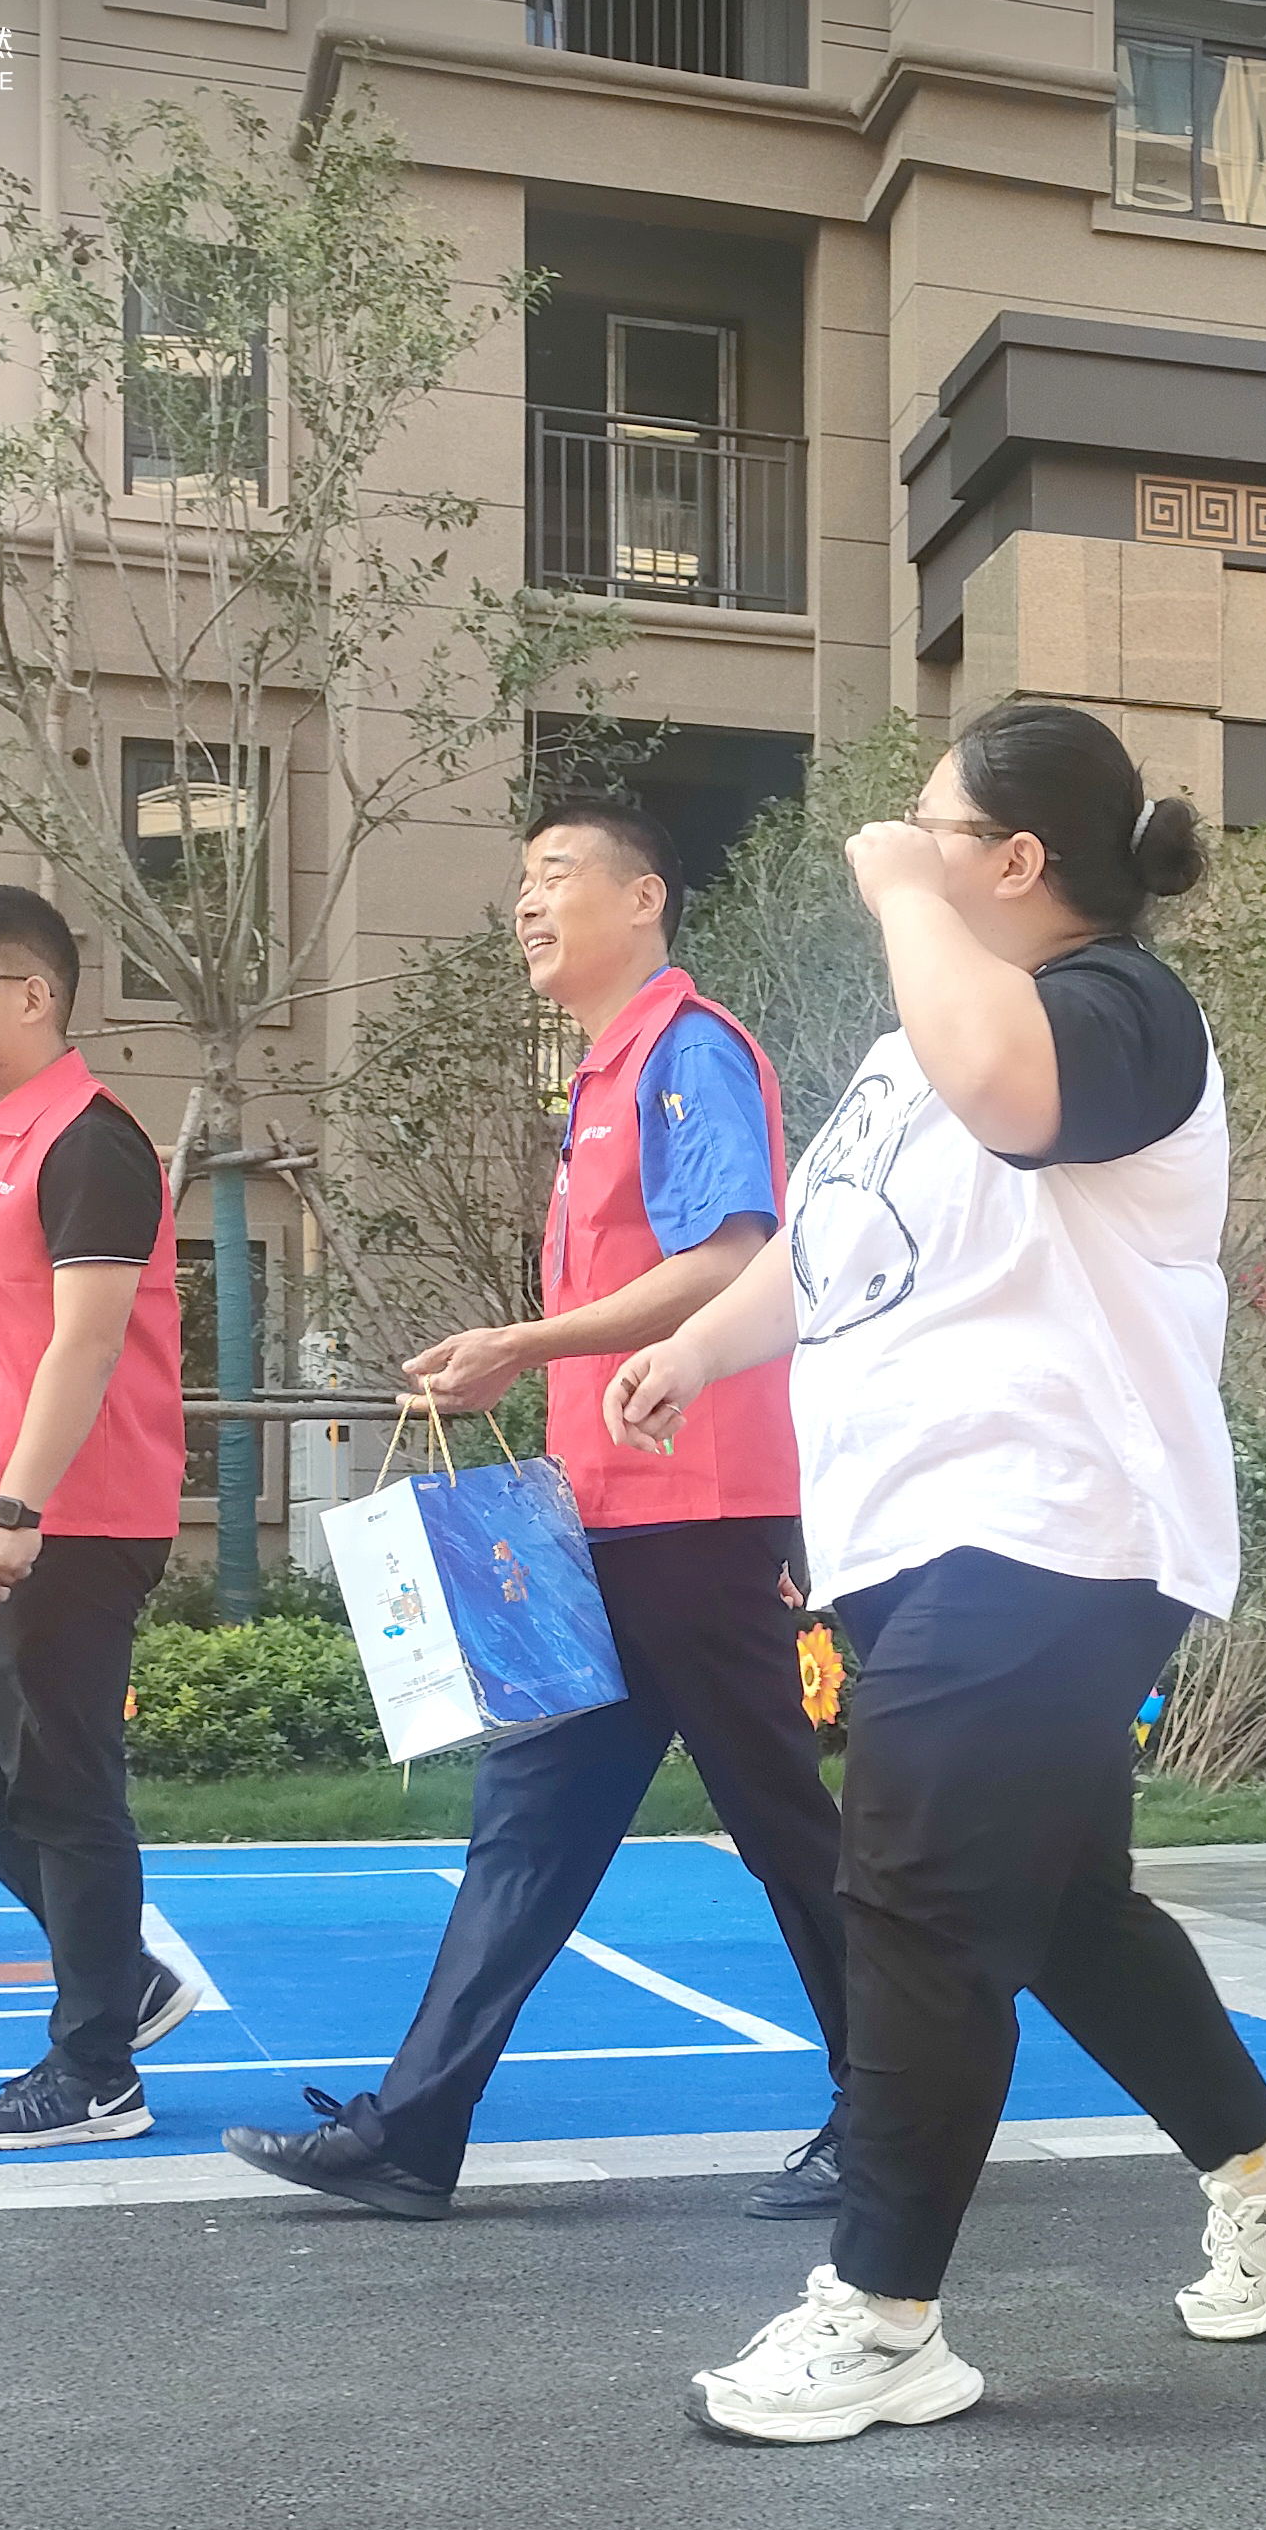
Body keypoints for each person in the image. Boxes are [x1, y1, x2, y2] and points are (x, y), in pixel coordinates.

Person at [613, 702, 1266, 2446]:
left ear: (1016, 860)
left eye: (932, 827)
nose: (896, 848)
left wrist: (899, 893)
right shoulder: (920, 1043)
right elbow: (835, 1240)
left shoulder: (1119, 1009)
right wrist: (699, 1348)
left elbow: (1007, 1092)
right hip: (920, 1535)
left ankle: (883, 2314)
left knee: (907, 1899)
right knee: (1053, 1910)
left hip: (1054, 1524)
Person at [222, 795, 852, 2222]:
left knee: (779, 1825)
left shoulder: (687, 1049)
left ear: (644, 898)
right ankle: (410, 2132)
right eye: (520, 879)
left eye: (555, 873)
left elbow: (731, 1257)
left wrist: (521, 1342)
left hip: (695, 1509)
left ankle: (901, 2104)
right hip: (599, 1517)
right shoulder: (597, 1075)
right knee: (528, 1825)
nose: (525, 902)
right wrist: (527, 1360)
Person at [0, 884, 197, 2150]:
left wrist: (19, 1503)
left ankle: (96, 2072)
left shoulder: (89, 1140)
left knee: (66, 1790)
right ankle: (119, 1975)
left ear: (32, 994)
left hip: (64, 1520)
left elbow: (88, 1339)